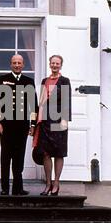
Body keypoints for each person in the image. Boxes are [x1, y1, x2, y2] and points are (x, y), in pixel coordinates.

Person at [0, 54, 38, 195]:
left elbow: (33, 105)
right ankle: (5, 188)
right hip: (6, 125)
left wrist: (32, 124)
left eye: (19, 63)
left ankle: (18, 188)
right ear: (10, 64)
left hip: (22, 125)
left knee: (19, 156)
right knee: (6, 156)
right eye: (14, 63)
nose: (17, 65)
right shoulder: (2, 79)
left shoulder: (28, 81)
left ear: (23, 64)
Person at [33, 55, 71, 196]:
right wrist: (36, 121)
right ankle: (48, 183)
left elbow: (66, 101)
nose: (55, 65)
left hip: (59, 120)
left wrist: (65, 120)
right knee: (46, 153)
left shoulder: (64, 81)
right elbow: (41, 102)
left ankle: (56, 182)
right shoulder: (45, 81)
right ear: (50, 64)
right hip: (45, 121)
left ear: (60, 65)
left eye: (57, 63)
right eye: (53, 63)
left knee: (58, 152)